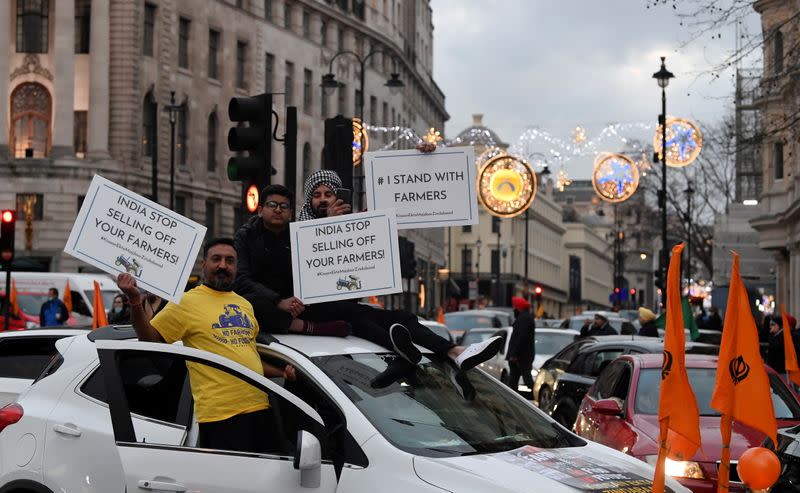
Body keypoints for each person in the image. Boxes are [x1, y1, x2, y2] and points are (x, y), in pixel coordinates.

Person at [235, 179, 502, 387]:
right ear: (260, 208)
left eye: (284, 206)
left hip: (307, 303)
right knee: (354, 316)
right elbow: (243, 281)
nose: (278, 210)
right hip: (274, 311)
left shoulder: (297, 234)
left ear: (291, 211)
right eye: (272, 205)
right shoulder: (246, 237)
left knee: (396, 315)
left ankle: (453, 352)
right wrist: (278, 301)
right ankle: (410, 356)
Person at [117, 237, 295, 453]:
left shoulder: (244, 304)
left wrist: (281, 372)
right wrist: (135, 302)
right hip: (221, 415)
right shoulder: (185, 302)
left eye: (230, 261)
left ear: (236, 267)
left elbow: (247, 357)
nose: (223, 265)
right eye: (216, 259)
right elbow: (150, 340)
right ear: (204, 265)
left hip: (260, 408)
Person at [506, 296, 535, 393]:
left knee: (525, 380)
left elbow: (521, 338)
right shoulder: (525, 317)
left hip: (521, 356)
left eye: (515, 307)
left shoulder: (524, 319)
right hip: (522, 356)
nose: (513, 310)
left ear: (518, 308)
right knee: (514, 381)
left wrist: (514, 354)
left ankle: (537, 396)